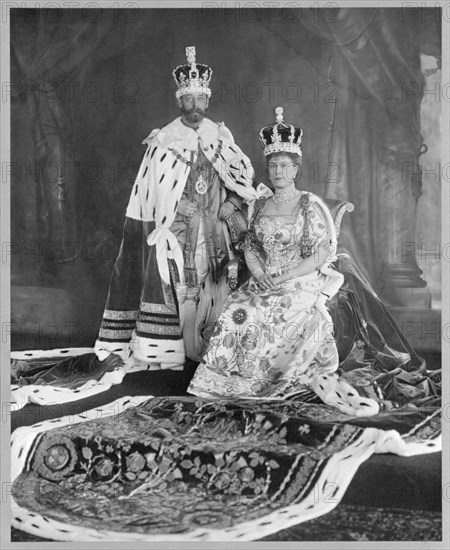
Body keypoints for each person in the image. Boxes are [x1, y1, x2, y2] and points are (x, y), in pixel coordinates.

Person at [188, 107, 381, 416]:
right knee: (239, 309)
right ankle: (234, 382)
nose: (277, 172)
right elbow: (250, 245)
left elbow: (321, 252)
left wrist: (285, 276)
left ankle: (279, 380)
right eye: (273, 165)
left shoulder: (308, 204)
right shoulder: (261, 205)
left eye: (284, 166)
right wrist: (261, 273)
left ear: (295, 170)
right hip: (265, 277)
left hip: (299, 280)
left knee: (274, 313)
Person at [94, 46, 257, 370]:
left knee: (215, 282)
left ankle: (213, 348)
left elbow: (241, 181)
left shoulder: (220, 137)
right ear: (179, 99)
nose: (194, 106)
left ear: (207, 100)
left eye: (200, 100)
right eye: (188, 99)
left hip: (214, 229)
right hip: (177, 229)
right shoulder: (163, 141)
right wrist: (170, 208)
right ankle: (174, 351)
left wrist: (230, 203)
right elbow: (149, 194)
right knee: (181, 285)